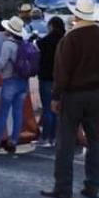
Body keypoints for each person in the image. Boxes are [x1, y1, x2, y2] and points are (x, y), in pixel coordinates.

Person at [41, 0, 99, 198]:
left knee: (66, 143)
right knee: (94, 141)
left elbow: (62, 71)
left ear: (75, 15)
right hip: (95, 93)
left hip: (73, 94)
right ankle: (93, 185)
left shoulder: (70, 39)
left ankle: (63, 187)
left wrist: (56, 96)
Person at [0, 16, 31, 154]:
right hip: (23, 82)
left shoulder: (7, 44)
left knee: (3, 113)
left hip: (10, 80)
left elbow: (1, 64)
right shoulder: (23, 44)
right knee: (18, 113)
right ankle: (13, 141)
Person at [35, 16, 65, 148]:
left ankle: (46, 137)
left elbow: (37, 48)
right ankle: (56, 137)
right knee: (58, 109)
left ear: (51, 26)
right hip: (61, 78)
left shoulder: (44, 41)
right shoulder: (65, 40)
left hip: (46, 77)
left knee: (47, 108)